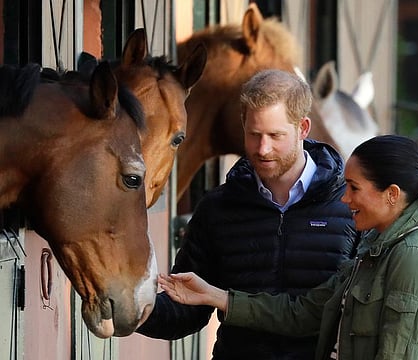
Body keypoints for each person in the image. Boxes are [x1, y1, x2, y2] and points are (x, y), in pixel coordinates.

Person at [159, 134, 418, 360]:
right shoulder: (375, 249)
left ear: (391, 194)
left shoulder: (413, 257)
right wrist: (215, 296)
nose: (345, 199)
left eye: (354, 188)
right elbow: (303, 313)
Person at [136, 69, 360, 359]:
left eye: (275, 135)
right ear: (243, 126)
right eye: (254, 134)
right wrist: (134, 313)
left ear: (303, 128)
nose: (263, 149)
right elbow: (188, 307)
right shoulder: (217, 208)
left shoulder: (349, 206)